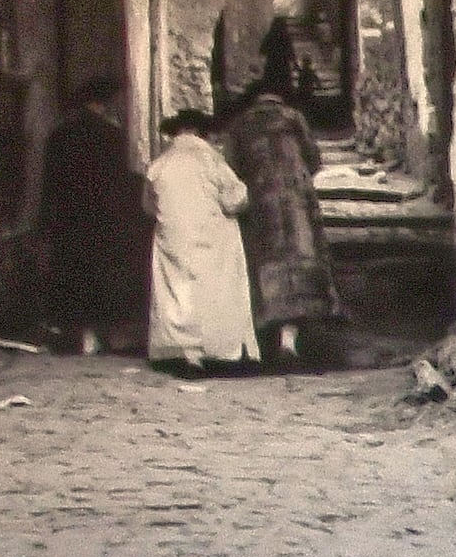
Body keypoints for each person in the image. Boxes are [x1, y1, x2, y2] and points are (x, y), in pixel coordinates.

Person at [221, 73, 341, 367]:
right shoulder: (294, 119)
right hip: (297, 200)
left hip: (260, 201)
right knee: (301, 258)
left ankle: (269, 335)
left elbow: (231, 169)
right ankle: (292, 336)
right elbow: (314, 160)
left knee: (264, 262)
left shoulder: (240, 125)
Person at [141, 108, 257, 371]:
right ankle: (213, 348)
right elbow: (235, 200)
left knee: (176, 290)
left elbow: (148, 206)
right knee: (212, 289)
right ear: (202, 133)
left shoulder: (159, 164)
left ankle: (183, 349)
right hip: (209, 235)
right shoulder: (211, 160)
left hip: (173, 237)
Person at [36, 78, 145, 356]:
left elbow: (49, 186)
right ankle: (99, 334)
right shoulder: (114, 137)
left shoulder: (59, 136)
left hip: (69, 219)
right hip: (104, 220)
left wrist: (46, 223)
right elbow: (123, 183)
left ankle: (77, 334)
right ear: (103, 105)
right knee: (101, 275)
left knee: (72, 273)